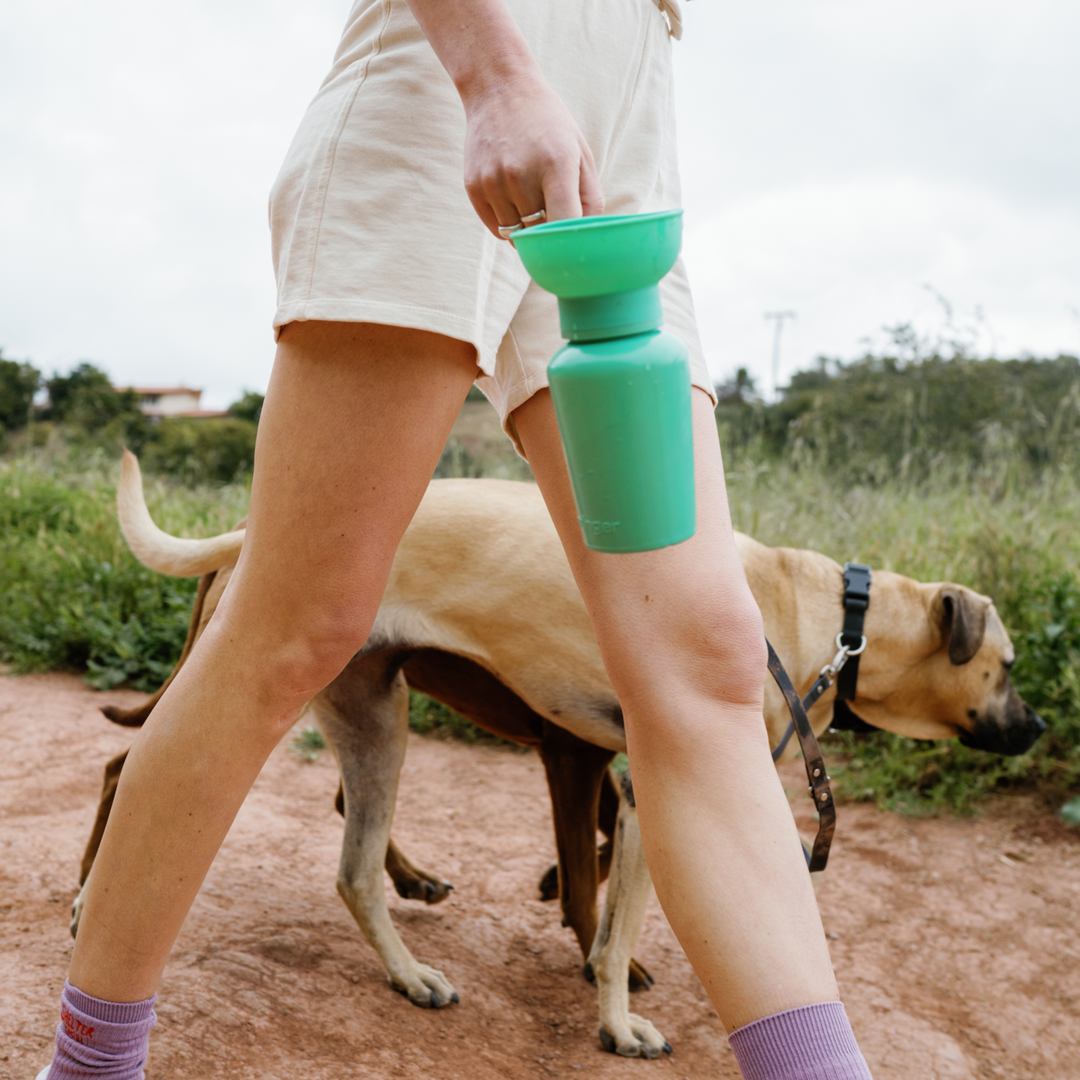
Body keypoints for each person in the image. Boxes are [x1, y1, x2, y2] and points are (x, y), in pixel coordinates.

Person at [39, 1, 873, 1078]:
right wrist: (490, 71)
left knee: (707, 660)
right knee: (295, 629)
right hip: (453, 90)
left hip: (623, 141)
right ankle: (91, 1066)